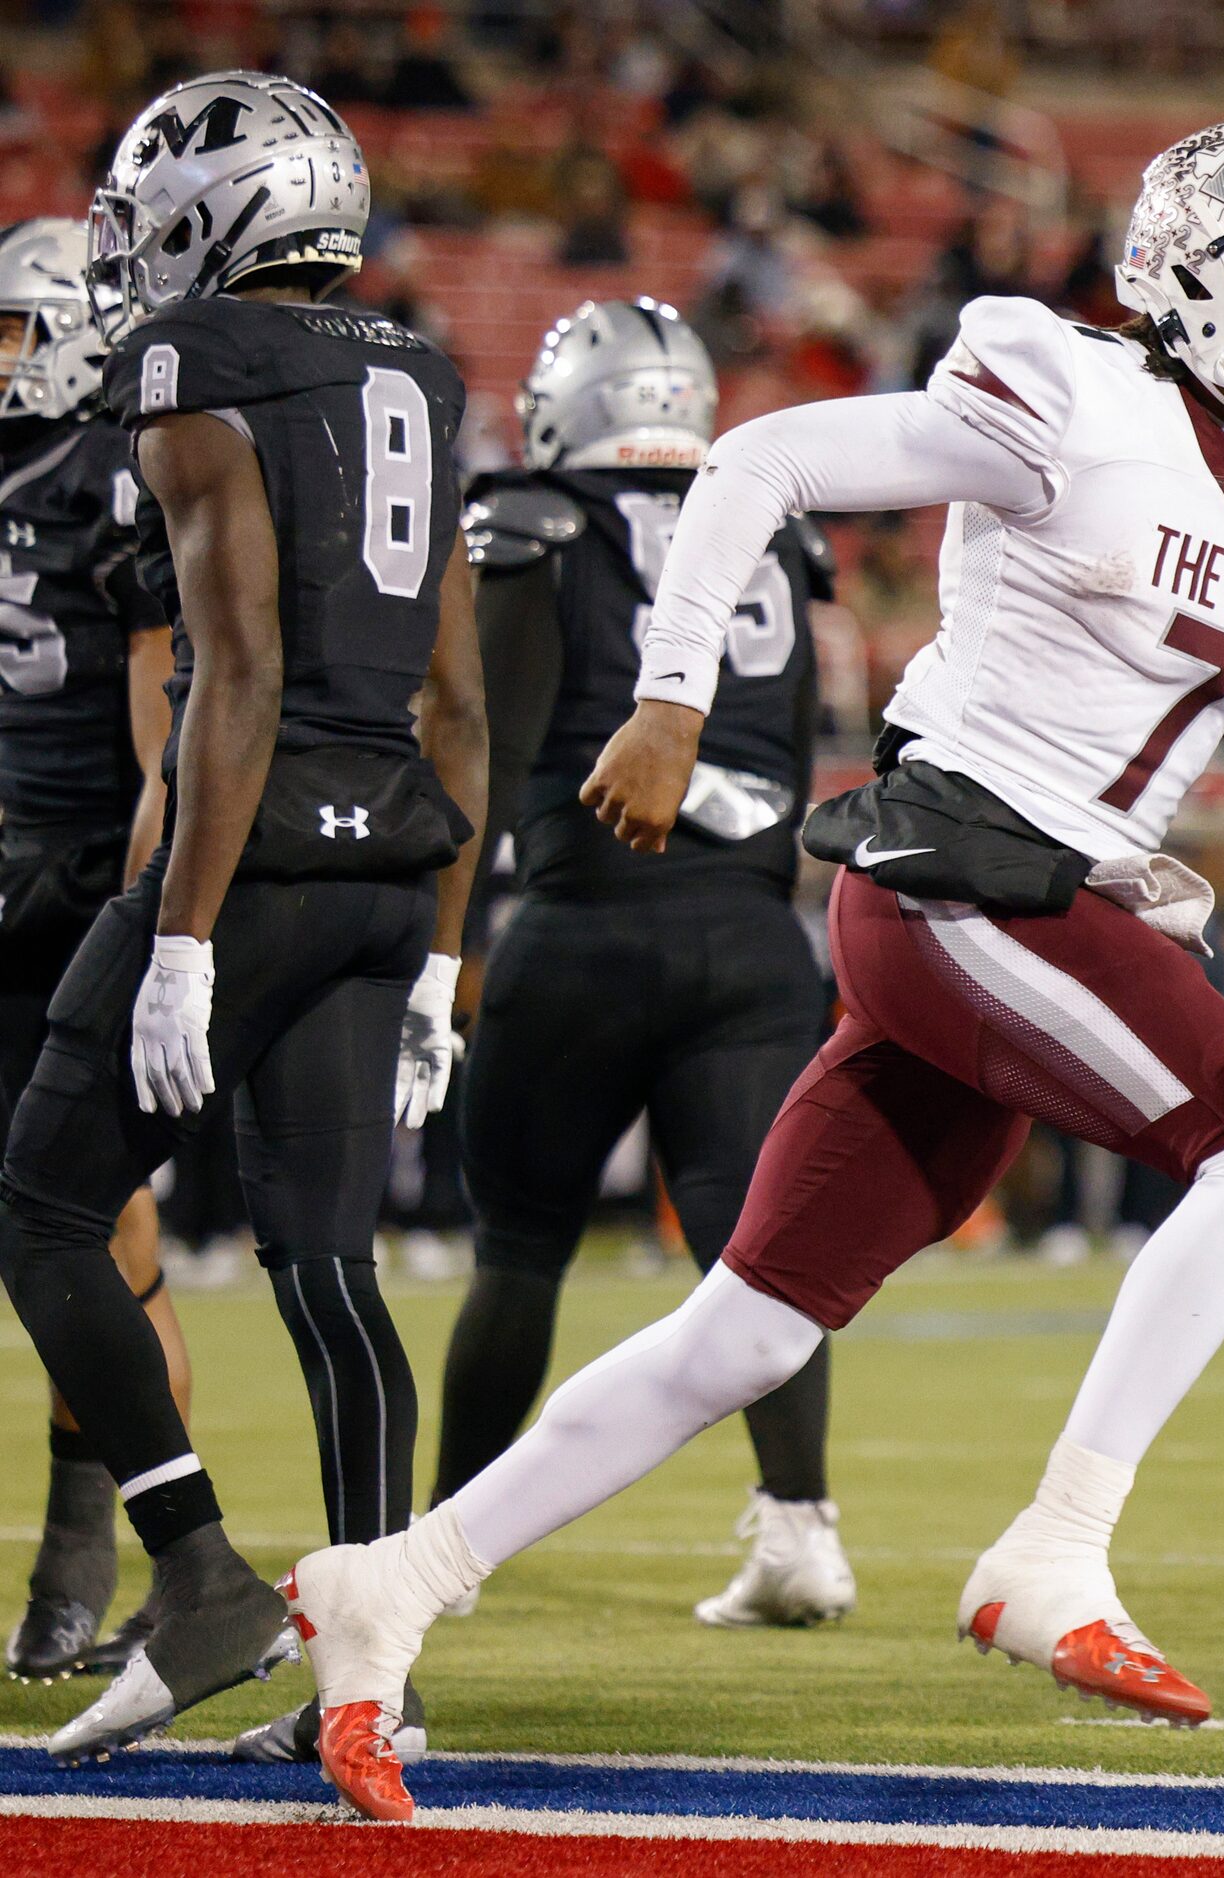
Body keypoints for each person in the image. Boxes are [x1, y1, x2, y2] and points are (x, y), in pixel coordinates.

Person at [285, 118, 1224, 1822]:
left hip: (1037, 902)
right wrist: (667, 697)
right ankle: (1058, 1541)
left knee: (741, 1333)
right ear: (1210, 288)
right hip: (961, 867)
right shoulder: (1068, 398)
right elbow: (756, 461)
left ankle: (394, 1578)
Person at [0, 73, 485, 1761]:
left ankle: (195, 1567)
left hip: (257, 848)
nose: (131, 251)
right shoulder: (421, 364)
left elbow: (242, 665)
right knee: (330, 1270)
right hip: (388, 865)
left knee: (44, 1206)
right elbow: (464, 706)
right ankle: (379, 1679)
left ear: (226, 211)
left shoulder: (192, 359)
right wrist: (438, 950)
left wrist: (184, 926)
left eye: (150, 214)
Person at [439, 296, 853, 1631]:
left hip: (587, 918)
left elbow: (484, 751)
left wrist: (442, 939)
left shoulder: (537, 519)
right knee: (758, 1253)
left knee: (518, 1246)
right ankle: (800, 1528)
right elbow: (790, 748)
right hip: (748, 927)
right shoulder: (774, 529)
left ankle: (443, 1546)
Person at [0, 219, 188, 1683]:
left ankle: (112, 1556)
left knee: (98, 1236)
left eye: (15, 328)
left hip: (66, 892)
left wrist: (136, 913)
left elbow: (159, 735)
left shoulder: (118, 469)